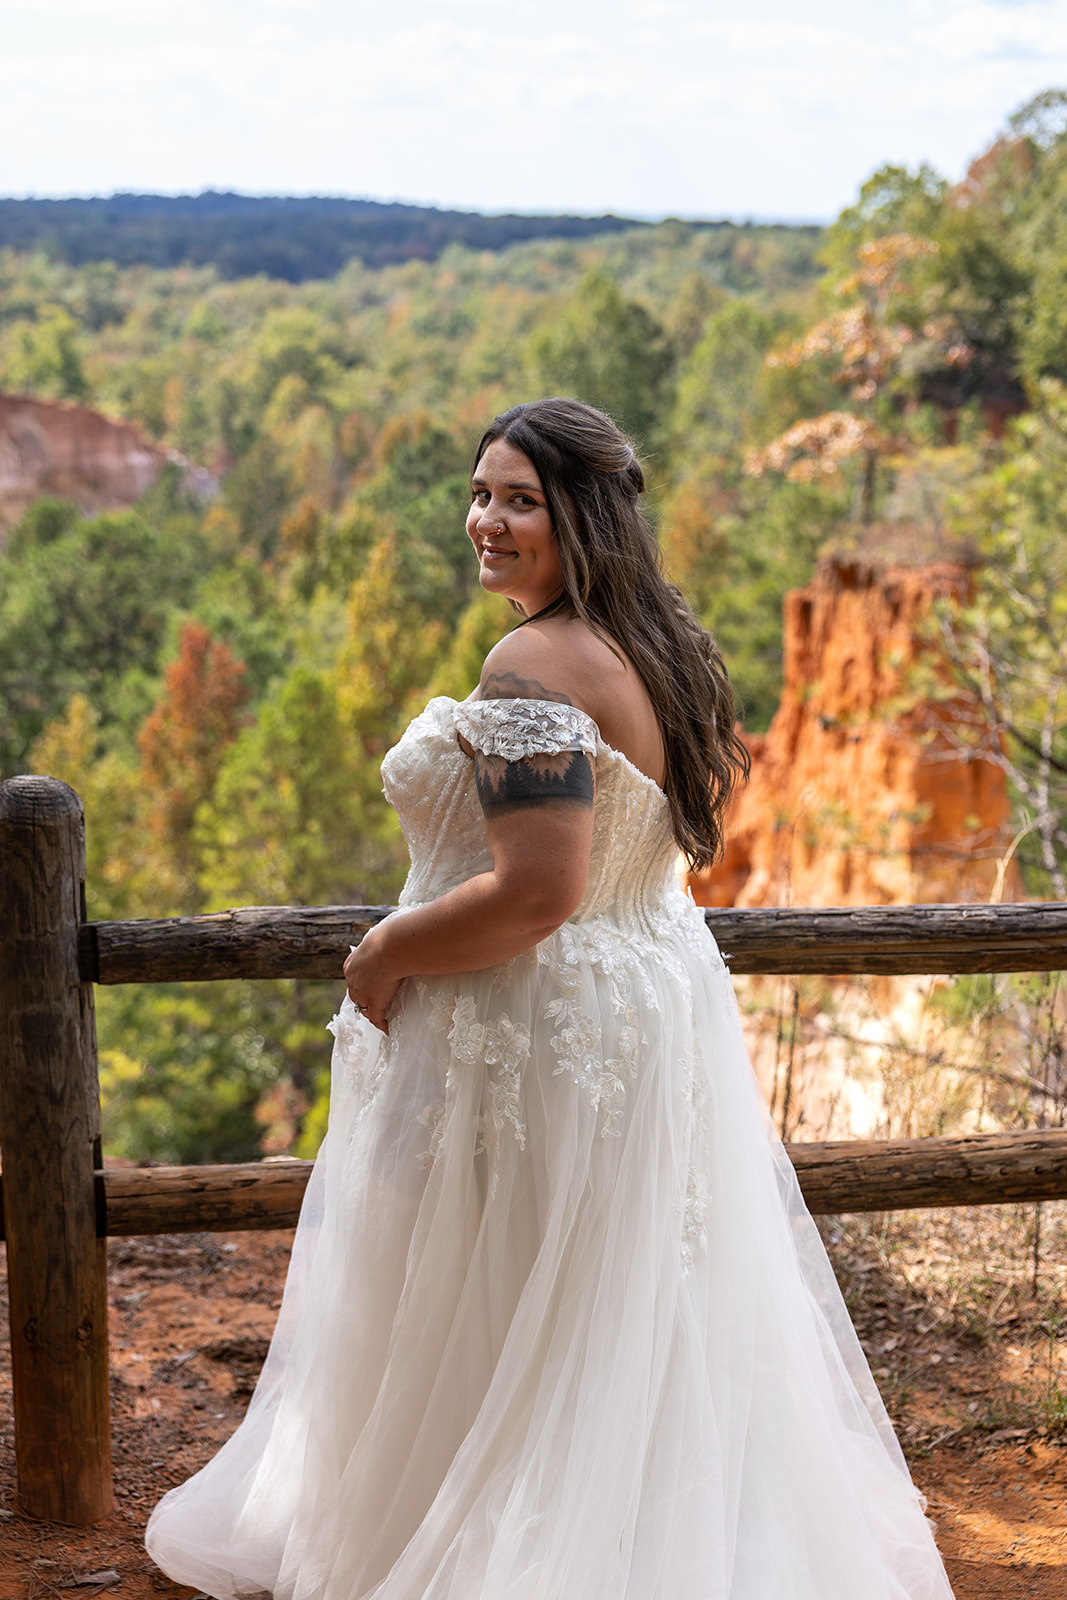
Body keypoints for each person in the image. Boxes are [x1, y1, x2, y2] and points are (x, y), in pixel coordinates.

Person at [147, 398, 955, 1599]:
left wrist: (384, 950)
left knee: (503, 1284)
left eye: (519, 499)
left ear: (584, 515)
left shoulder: (528, 663)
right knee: (602, 1296)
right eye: (480, 493)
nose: (487, 519)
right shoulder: (647, 645)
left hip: (532, 1019)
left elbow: (537, 892)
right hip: (637, 1002)